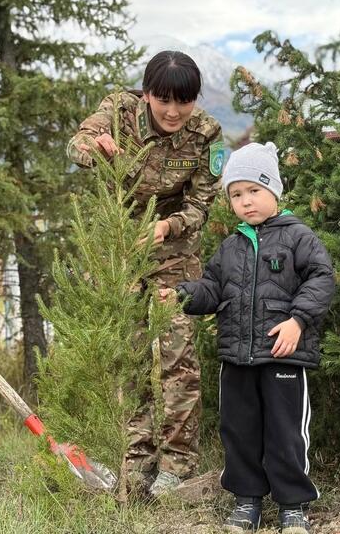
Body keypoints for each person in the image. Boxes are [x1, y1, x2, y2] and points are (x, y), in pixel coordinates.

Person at [67, 50, 225, 496]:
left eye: (185, 101)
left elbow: (202, 205)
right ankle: (136, 460)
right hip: (120, 254)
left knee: (178, 358)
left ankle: (177, 464)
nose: (174, 111)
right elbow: (75, 144)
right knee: (129, 358)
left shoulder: (209, 134)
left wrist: (167, 226)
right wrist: (95, 149)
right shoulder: (118, 110)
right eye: (164, 100)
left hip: (174, 255)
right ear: (147, 93)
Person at [160, 142, 335, 533]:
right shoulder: (230, 248)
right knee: (238, 430)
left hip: (282, 356)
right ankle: (246, 501)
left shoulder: (298, 237)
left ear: (274, 190)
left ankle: (293, 506)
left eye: (254, 191)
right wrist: (183, 295)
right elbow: (211, 289)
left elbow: (322, 279)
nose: (246, 201)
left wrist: (298, 320)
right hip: (236, 358)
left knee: (286, 432)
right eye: (236, 194)